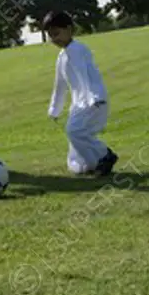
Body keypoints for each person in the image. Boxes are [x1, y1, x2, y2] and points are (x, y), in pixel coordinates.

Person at [43, 10, 119, 177]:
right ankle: (96, 163)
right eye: (50, 36)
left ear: (69, 29)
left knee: (74, 131)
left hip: (93, 100)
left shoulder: (78, 49)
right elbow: (60, 85)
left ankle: (105, 155)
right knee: (77, 135)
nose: (54, 39)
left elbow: (86, 75)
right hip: (79, 103)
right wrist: (55, 109)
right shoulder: (62, 56)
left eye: (57, 33)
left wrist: (94, 97)